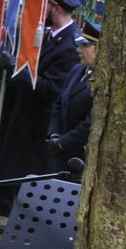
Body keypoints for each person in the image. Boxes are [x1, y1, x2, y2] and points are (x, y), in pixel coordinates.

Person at [0, 0, 82, 212]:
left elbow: (50, 88)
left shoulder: (70, 45)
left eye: (44, 6)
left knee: (32, 171)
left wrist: (17, 70)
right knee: (15, 164)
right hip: (24, 114)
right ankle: (7, 203)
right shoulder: (52, 37)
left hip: (40, 119)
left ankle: (23, 214)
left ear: (56, 9)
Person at [48, 19, 100, 165]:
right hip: (61, 149)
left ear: (100, 48)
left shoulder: (103, 81)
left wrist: (64, 142)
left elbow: (91, 122)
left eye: (84, 46)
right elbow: (59, 103)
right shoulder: (77, 70)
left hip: (80, 156)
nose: (78, 50)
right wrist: (55, 133)